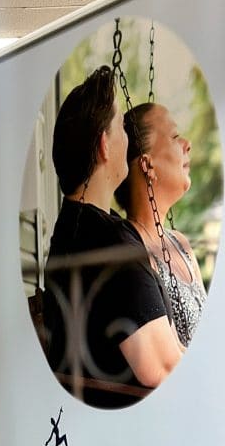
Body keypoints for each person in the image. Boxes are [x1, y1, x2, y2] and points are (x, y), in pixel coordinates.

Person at [42, 66, 182, 408]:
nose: (128, 140)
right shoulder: (111, 243)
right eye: (121, 127)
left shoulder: (67, 230)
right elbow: (163, 370)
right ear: (105, 145)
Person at [115, 103, 207, 348]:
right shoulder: (133, 253)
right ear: (147, 165)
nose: (187, 143)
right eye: (175, 136)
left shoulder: (181, 244)